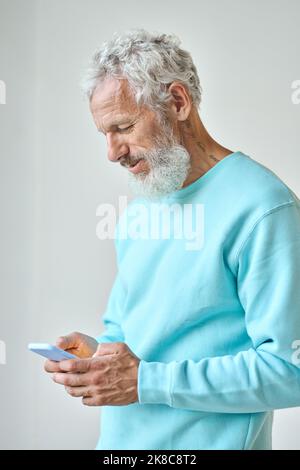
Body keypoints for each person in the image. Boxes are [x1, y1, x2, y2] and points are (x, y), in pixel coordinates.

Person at [44, 29, 300, 450]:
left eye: (123, 127)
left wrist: (145, 380)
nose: (112, 152)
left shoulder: (262, 208)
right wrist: (96, 359)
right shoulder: (144, 205)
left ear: (178, 102)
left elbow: (288, 370)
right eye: (104, 134)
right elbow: (127, 336)